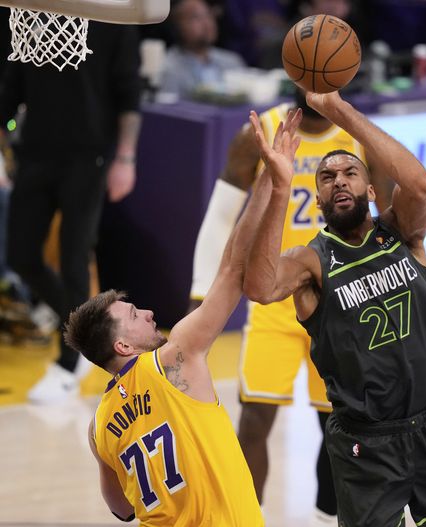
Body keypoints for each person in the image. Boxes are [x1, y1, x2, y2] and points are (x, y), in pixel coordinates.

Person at [244, 90, 426, 527]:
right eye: (327, 177)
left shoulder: (402, 233)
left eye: (350, 172)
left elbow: (421, 185)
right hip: (367, 444)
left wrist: (338, 110)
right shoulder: (310, 262)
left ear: (371, 189)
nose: (338, 180)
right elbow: (259, 287)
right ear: (317, 200)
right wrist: (279, 186)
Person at [63, 108, 303, 526]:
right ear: (121, 345)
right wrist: (273, 179)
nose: (150, 313)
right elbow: (232, 267)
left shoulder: (99, 428)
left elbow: (122, 510)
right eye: (135, 315)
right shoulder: (176, 358)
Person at [189, 87, 389, 526]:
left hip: (340, 301)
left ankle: (327, 515)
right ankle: (246, 518)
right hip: (275, 295)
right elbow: (223, 213)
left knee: (339, 425)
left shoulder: (357, 140)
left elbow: (388, 218)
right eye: (308, 69)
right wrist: (203, 291)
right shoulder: (260, 133)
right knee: (255, 419)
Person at [0, 21, 142, 404]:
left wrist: (125, 158)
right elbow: (11, 86)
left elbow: (130, 95)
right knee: (21, 256)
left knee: (73, 257)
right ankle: (89, 330)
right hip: (35, 153)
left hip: (89, 156)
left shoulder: (113, 18)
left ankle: (69, 362)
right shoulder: (31, 15)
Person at [159, 0, 246, 100]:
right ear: (177, 26)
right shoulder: (169, 68)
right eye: (196, 17)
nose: (206, 23)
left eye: (208, 15)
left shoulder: (232, 61)